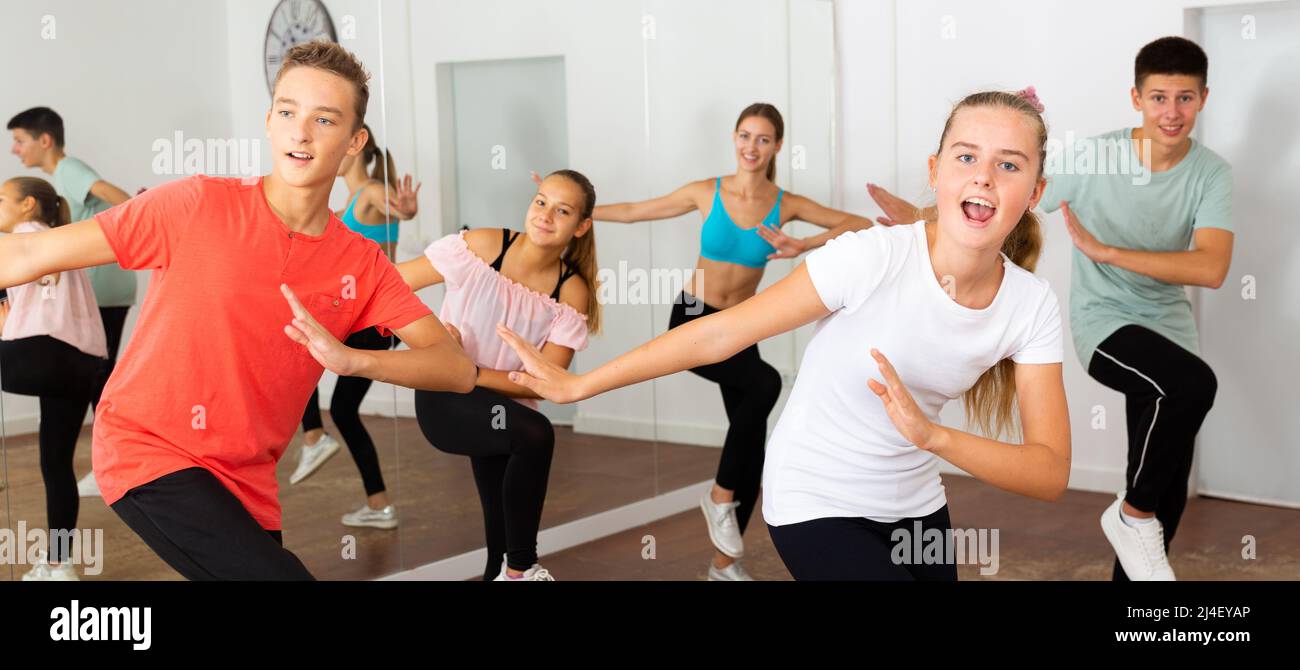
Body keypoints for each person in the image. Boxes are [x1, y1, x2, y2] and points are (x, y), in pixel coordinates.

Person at [500, 90, 1071, 581]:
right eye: (966, 156)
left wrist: (932, 438)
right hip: (815, 497)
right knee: (761, 386)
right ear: (935, 170)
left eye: (1009, 165)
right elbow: (716, 334)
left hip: (917, 504)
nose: (983, 177)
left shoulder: (1031, 305)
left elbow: (1048, 473)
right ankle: (726, 501)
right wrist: (582, 386)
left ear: (1035, 192)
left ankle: (723, 504)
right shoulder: (871, 258)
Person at [0, 41, 476, 580]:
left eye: (324, 119)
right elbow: (27, 252)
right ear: (269, 121)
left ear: (353, 142)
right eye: (288, 111)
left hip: (247, 478)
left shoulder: (360, 262)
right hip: (150, 450)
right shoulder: (195, 203)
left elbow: (454, 368)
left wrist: (353, 361)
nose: (301, 131)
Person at [870, 38, 1232, 582]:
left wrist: (1109, 252)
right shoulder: (1096, 159)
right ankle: (1132, 517)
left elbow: (1211, 268)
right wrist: (928, 220)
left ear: (1204, 98)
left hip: (1170, 331)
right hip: (1106, 323)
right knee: (1190, 390)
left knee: (1161, 479)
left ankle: (1136, 565)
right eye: (1159, 97)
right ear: (1136, 97)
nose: (1172, 112)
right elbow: (1004, 197)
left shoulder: (1211, 173)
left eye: (1185, 98)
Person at [590, 103, 877, 580]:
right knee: (764, 386)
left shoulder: (786, 203)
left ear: (777, 146)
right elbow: (637, 211)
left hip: (742, 326)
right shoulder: (707, 192)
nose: (751, 147)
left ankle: (724, 565)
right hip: (695, 321)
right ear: (734, 138)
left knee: (752, 447)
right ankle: (719, 497)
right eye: (745, 136)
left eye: (763, 139)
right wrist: (577, 208)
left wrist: (801, 245)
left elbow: (858, 224)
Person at [398, 170, 600, 581]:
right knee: (537, 433)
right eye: (541, 201)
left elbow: (542, 379)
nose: (546, 215)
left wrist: (472, 370)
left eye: (562, 210)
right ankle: (522, 571)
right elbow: (392, 285)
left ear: (581, 226)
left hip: (500, 406)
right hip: (445, 395)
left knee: (501, 531)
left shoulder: (570, 290)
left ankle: (505, 570)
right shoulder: (482, 246)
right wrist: (430, 338)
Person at [289, 123, 423, 532]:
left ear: (355, 150)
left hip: (373, 320)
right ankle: (379, 505)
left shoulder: (368, 193)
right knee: (344, 409)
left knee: (296, 347)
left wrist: (407, 210)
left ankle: (313, 437)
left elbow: (393, 208)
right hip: (369, 319)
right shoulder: (350, 199)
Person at [8, 106, 140, 498]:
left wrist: (137, 218)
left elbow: (109, 194)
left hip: (100, 289)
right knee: (95, 378)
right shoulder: (57, 184)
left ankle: (117, 460)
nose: (15, 150)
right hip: (99, 291)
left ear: (44, 140)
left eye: (20, 140)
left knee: (96, 378)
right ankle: (114, 460)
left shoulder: (69, 169)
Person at [0, 176, 106, 580]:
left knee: (55, 463)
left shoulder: (20, 236)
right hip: (82, 362)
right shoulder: (63, 240)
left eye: (0, 200)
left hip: (35, 354)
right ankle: (59, 564)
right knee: (56, 463)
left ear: (27, 205)